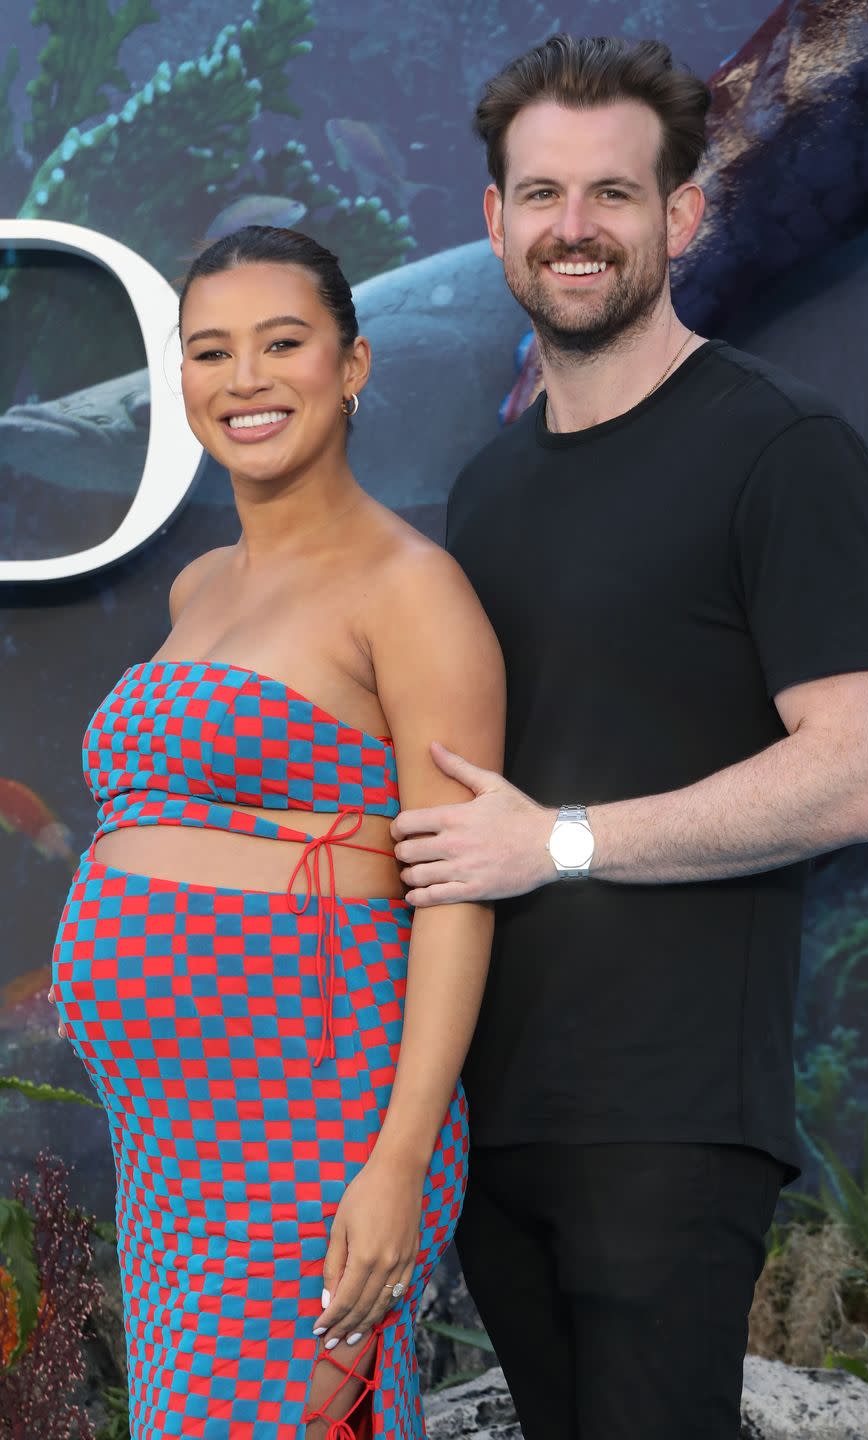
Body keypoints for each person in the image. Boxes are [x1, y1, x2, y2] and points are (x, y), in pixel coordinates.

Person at [389, 35, 868, 1440]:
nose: (576, 227)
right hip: (493, 1123)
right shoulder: (488, 489)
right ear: (495, 221)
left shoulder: (781, 450)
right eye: (543, 194)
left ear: (682, 215)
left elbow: (863, 771)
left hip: (667, 1122)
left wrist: (554, 842)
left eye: (614, 194)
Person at [49, 225, 504, 1440]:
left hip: (308, 1118)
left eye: (282, 344)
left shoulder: (411, 588)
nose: (243, 378)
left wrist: (399, 1160)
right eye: (210, 351)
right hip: (168, 1141)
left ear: (352, 366)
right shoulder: (198, 588)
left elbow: (457, 892)